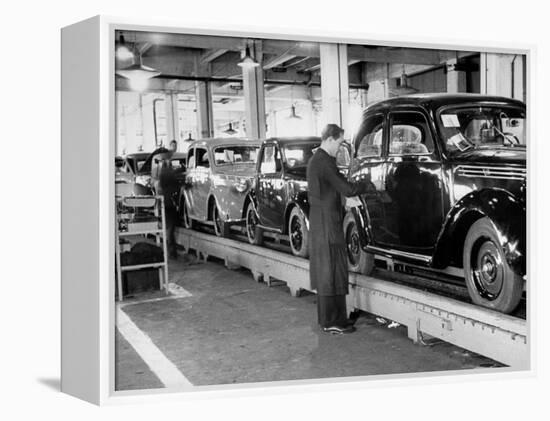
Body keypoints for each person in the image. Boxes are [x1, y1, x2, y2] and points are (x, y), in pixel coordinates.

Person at [307, 124, 369, 334]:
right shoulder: (324, 161)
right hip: (327, 224)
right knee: (330, 271)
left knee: (329, 270)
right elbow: (346, 187)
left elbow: (330, 190)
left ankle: (333, 318)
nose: (340, 147)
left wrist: (344, 202)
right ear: (331, 139)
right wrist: (367, 184)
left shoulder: (318, 160)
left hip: (322, 221)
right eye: (340, 143)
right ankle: (332, 321)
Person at [155, 153, 179, 259]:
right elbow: (176, 186)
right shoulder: (168, 174)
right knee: (170, 229)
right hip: (170, 204)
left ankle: (170, 251)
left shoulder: (161, 175)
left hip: (165, 204)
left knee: (169, 228)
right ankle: (171, 252)